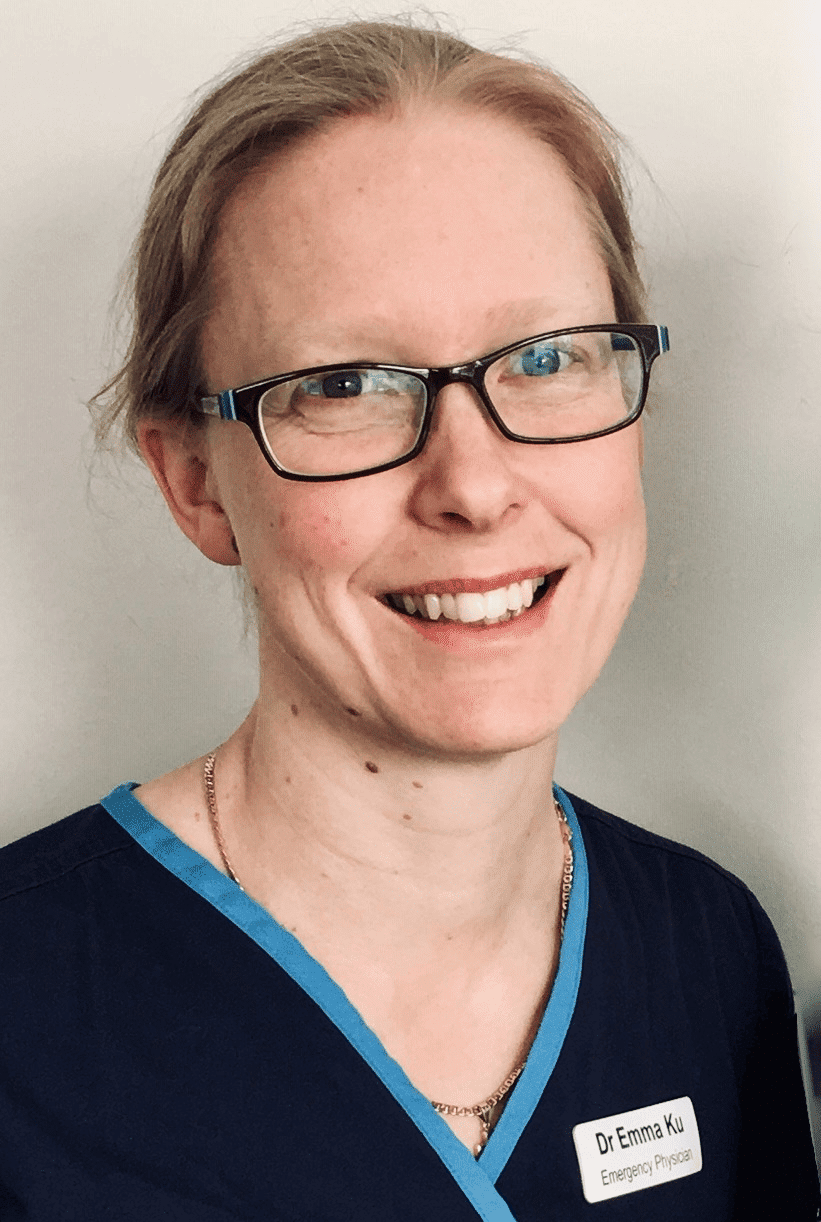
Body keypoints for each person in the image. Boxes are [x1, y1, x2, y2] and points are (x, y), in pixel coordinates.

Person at [0, 18, 817, 1221]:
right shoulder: (21, 1014)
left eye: (547, 359)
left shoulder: (707, 952)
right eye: (345, 385)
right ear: (194, 481)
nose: (473, 487)